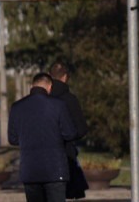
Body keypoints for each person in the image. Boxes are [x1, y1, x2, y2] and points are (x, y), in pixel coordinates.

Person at [9, 72, 77, 202]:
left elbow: (12, 139)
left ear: (32, 86)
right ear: (49, 87)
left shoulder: (17, 107)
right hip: (55, 170)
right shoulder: (58, 105)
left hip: (30, 170)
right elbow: (70, 133)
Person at [49, 62, 89, 199]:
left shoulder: (44, 99)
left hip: (45, 157)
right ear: (65, 77)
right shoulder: (70, 100)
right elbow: (82, 128)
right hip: (67, 154)